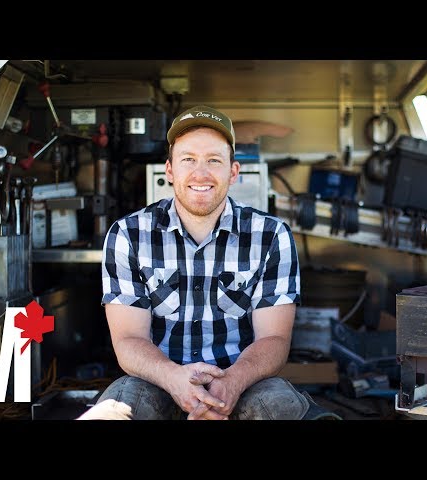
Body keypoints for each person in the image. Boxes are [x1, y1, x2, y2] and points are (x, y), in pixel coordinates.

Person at [78, 105, 339, 420]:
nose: (200, 174)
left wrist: (231, 382)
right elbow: (128, 340)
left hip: (244, 380)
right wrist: (176, 380)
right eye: (188, 159)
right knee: (111, 414)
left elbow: (275, 339)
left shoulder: (270, 235)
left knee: (283, 407)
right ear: (170, 170)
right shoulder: (128, 235)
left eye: (214, 160)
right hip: (156, 379)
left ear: (233, 171)